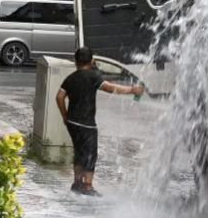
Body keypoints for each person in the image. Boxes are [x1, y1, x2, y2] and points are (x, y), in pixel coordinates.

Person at [56, 47, 144, 196]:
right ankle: (88, 187)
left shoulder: (70, 78)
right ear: (91, 61)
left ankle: (77, 183)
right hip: (86, 123)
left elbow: (59, 97)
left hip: (72, 122)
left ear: (75, 61)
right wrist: (132, 90)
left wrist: (65, 115)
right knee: (90, 154)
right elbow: (110, 88)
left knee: (79, 152)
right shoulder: (93, 77)